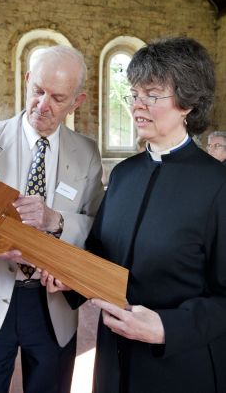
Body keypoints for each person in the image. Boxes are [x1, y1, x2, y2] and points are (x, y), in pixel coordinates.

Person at [0, 45, 104, 393]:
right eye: (37, 91)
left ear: (76, 103)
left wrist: (57, 220)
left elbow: (95, 223)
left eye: (57, 97)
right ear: (26, 81)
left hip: (52, 306)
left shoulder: (87, 152)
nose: (42, 105)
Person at [84, 37, 226, 393]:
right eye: (134, 94)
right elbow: (100, 252)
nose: (137, 106)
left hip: (179, 367)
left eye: (152, 94)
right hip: (113, 364)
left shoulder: (218, 184)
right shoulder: (123, 174)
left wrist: (167, 328)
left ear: (188, 103)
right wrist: (65, 274)